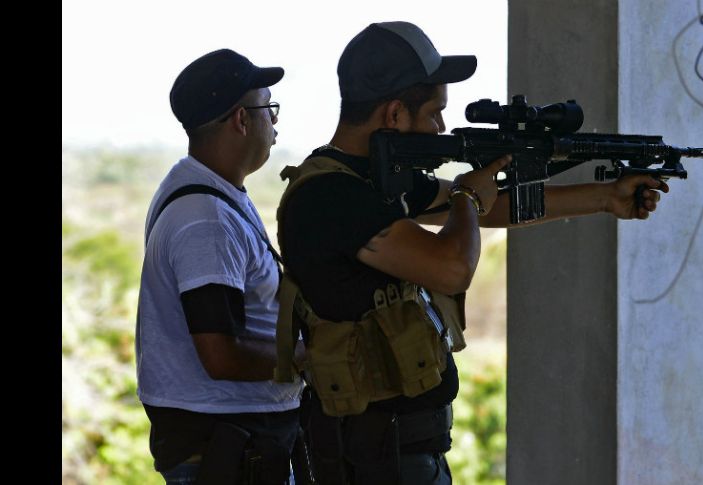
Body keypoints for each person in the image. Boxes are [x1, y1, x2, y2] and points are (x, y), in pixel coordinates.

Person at [275, 22, 668, 485]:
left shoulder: (372, 180)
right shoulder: (330, 195)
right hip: (369, 454)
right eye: (435, 113)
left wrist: (605, 197)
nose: (441, 127)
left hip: (401, 448)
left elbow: (491, 206)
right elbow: (452, 266)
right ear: (395, 114)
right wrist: (467, 195)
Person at [135, 48, 304, 485]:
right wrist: (314, 358)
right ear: (241, 120)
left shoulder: (209, 192)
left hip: (237, 442)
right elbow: (220, 354)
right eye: (269, 108)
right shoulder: (205, 219)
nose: (276, 123)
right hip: (226, 451)